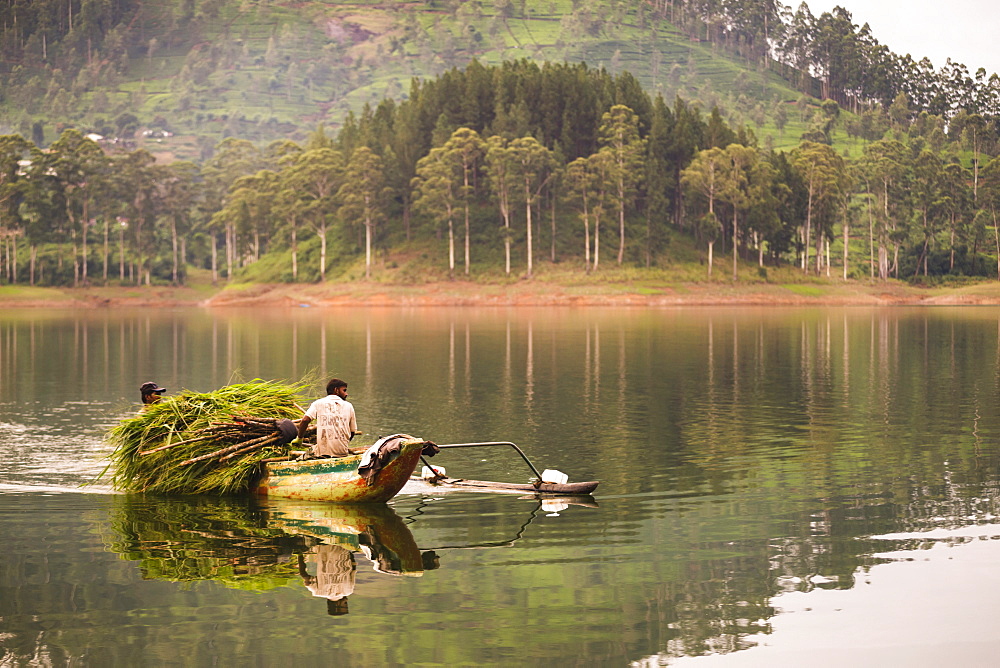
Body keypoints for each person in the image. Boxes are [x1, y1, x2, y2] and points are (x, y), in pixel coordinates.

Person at [292, 378, 359, 457]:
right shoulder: (349, 406)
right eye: (344, 390)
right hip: (342, 452)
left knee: (303, 457)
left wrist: (299, 438)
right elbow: (352, 431)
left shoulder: (318, 403)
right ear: (336, 390)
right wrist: (342, 444)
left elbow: (305, 420)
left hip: (322, 453)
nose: (346, 394)